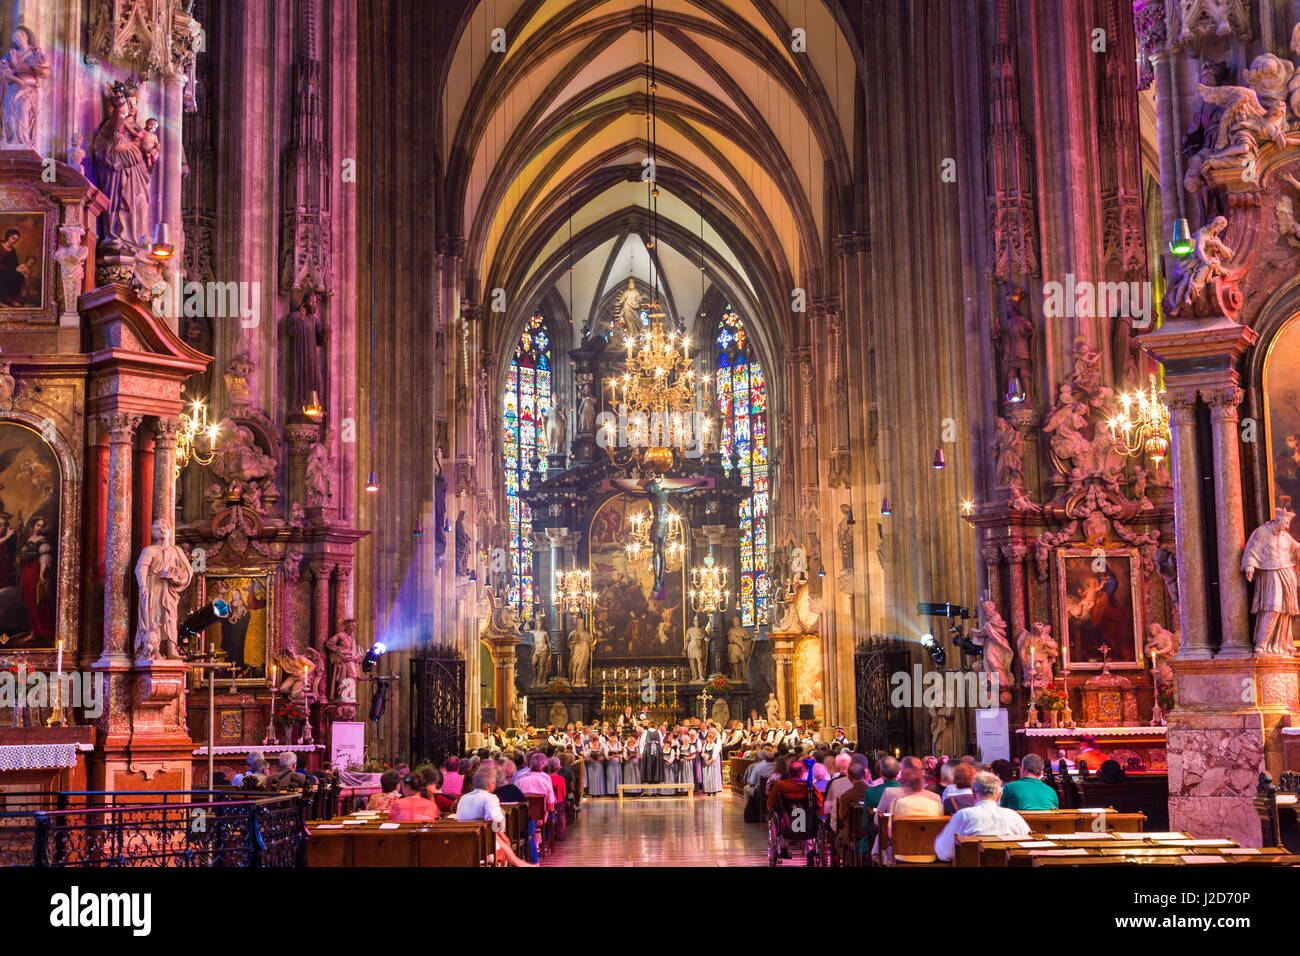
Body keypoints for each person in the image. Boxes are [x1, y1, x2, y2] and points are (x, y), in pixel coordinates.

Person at [933, 771, 1031, 862]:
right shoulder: (1013, 816)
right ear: (999, 796)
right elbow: (1029, 848)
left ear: (974, 793)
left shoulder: (963, 816)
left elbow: (944, 853)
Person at [455, 762, 533, 866]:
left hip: (463, 845)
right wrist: (502, 835)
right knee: (501, 840)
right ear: (491, 783)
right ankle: (519, 863)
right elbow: (496, 822)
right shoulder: (490, 798)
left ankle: (519, 863)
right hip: (483, 849)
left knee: (496, 838)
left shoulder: (463, 798)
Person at [887, 766, 946, 863]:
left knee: (888, 851)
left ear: (905, 787)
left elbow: (890, 834)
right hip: (930, 857)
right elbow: (940, 832)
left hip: (903, 857)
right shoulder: (936, 804)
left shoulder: (897, 802)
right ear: (922, 785)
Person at [822, 752, 854, 824]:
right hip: (852, 821)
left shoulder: (832, 783)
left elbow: (827, 808)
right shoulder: (855, 782)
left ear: (837, 766)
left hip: (836, 822)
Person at [701, 727, 724, 795]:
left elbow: (716, 754)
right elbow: (702, 753)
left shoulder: (717, 742)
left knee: (713, 776)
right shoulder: (705, 744)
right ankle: (707, 790)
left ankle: (714, 790)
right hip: (706, 762)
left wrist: (709, 759)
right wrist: (705, 755)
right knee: (706, 776)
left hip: (713, 761)